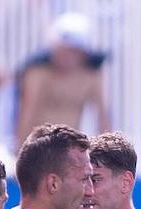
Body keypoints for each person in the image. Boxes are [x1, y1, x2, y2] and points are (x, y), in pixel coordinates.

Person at [16, 13, 109, 144]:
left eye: (71, 51)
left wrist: (108, 153)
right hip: (39, 146)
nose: (65, 56)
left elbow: (102, 116)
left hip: (71, 146)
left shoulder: (90, 76)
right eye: (61, 50)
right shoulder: (39, 73)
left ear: (82, 53)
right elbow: (26, 114)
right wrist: (20, 150)